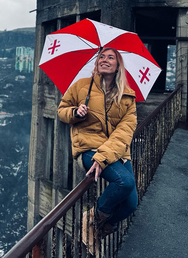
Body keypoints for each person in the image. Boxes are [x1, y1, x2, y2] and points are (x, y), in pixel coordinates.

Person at [57, 47, 138, 253]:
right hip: (89, 147)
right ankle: (91, 219)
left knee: (130, 205)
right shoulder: (81, 86)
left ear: (118, 65)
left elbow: (124, 131)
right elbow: (62, 111)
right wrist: (76, 112)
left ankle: (98, 229)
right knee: (125, 182)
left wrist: (105, 156)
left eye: (111, 57)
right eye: (101, 56)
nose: (105, 59)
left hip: (115, 151)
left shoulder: (127, 96)